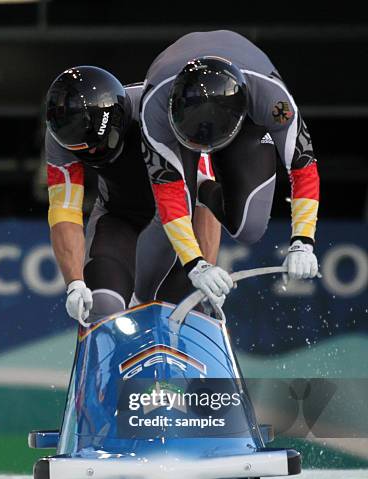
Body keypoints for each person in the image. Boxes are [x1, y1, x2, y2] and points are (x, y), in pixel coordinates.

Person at [136, 30, 320, 307]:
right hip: (171, 110)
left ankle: (202, 183)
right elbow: (168, 194)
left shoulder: (273, 102)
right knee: (177, 203)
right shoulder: (154, 109)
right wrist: (196, 264)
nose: (205, 149)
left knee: (249, 229)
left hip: (246, 121)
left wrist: (303, 240)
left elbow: (302, 167)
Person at [45, 65, 220, 323]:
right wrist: (74, 282)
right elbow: (64, 210)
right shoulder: (59, 138)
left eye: (96, 146)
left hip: (180, 223)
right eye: (82, 149)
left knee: (184, 314)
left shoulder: (166, 111)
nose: (91, 154)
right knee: (103, 307)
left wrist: (207, 265)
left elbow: (204, 195)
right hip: (119, 220)